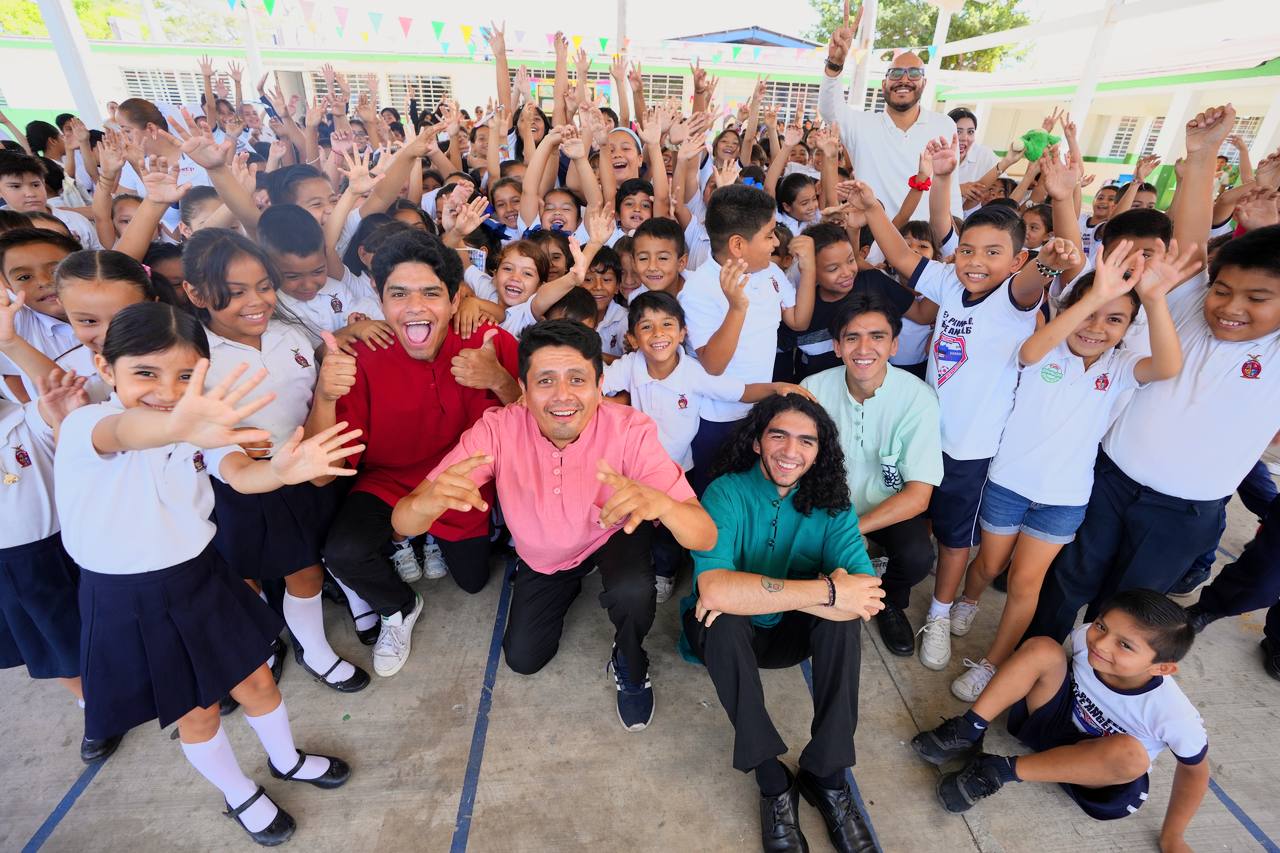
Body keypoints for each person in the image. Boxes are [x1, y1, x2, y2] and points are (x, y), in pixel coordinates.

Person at [54, 302, 360, 845]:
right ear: (106, 369)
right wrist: (181, 423)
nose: (166, 389)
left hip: (203, 576)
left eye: (185, 376)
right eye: (145, 373)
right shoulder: (87, 426)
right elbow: (126, 430)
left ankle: (285, 760)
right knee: (198, 712)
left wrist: (282, 470)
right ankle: (240, 793)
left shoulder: (198, 431)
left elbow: (239, 475)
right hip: (132, 600)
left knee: (258, 679)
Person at [392, 320, 716, 731]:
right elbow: (401, 519)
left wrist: (664, 505)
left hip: (611, 532)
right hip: (546, 556)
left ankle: (630, 657)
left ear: (600, 387)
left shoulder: (629, 430)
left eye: (577, 379)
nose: (563, 395)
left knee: (633, 590)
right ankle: (568, 582)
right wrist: (430, 503)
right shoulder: (498, 428)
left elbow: (704, 534)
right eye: (545, 380)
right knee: (524, 660)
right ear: (523, 392)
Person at [1031, 109, 1280, 643]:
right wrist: (1198, 157)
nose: (1231, 308)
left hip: (1185, 512)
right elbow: (1190, 245)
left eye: (1257, 299)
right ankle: (1038, 662)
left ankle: (1086, 679)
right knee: (1066, 582)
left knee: (1125, 611)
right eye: (1223, 290)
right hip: (1111, 479)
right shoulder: (1187, 302)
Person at [848, 140, 1076, 671]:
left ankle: (942, 614)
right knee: (907, 520)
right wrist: (878, 207)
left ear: (1017, 259)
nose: (976, 262)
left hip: (968, 452)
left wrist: (1049, 261)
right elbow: (906, 256)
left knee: (955, 541)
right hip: (919, 435)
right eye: (968, 250)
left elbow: (1036, 275)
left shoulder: (1018, 297)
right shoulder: (951, 280)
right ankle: (892, 572)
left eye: (993, 253)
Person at [945, 240, 1195, 702]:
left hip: (1063, 500)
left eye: (1114, 320)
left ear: (1127, 330)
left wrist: (1156, 300)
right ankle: (968, 599)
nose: (1097, 327)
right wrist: (1096, 295)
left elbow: (1169, 365)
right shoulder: (1046, 350)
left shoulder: (1121, 368)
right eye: (1090, 312)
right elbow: (1030, 351)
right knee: (989, 565)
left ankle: (991, 664)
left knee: (1025, 584)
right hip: (1007, 486)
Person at [680, 394, 885, 853]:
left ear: (819, 451)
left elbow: (865, 598)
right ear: (757, 442)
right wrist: (827, 590)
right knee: (721, 619)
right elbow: (714, 591)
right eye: (779, 435)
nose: (791, 451)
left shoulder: (832, 504)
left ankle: (827, 775)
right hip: (728, 639)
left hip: (790, 636)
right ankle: (773, 781)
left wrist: (750, 591)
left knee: (844, 624)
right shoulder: (725, 492)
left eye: (806, 441)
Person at [316, 230, 521, 678]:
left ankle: (427, 538)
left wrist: (500, 378)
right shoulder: (364, 354)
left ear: (454, 298)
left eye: (431, 293)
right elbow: (330, 467)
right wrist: (324, 392)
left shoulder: (487, 341)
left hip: (461, 485)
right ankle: (400, 605)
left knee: (472, 583)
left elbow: (539, 423)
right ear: (378, 295)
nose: (415, 307)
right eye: (399, 293)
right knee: (344, 551)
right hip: (388, 480)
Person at [181, 228, 371, 695]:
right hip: (250, 485)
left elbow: (313, 400)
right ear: (195, 293)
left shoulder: (291, 334)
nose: (257, 301)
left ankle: (323, 631)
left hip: (311, 469)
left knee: (314, 560)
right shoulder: (194, 358)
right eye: (236, 291)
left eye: (264, 286)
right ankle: (289, 647)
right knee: (273, 572)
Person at [911, 590, 1209, 853]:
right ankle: (969, 729)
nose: (1102, 644)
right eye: (1102, 626)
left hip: (1095, 772)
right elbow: (1049, 666)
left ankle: (998, 770)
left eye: (1125, 645)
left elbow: (1194, 774)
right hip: (1053, 726)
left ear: (1163, 668)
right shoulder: (1086, 638)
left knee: (1132, 757)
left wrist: (1173, 837)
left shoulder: (1175, 715)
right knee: (1043, 648)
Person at [602, 290, 813, 602]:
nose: (658, 334)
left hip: (677, 470)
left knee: (670, 527)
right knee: (636, 519)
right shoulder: (630, 365)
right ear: (632, 338)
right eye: (646, 327)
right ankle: (633, 564)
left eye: (667, 325)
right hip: (636, 465)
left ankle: (665, 571)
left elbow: (737, 391)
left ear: (682, 333)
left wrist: (776, 387)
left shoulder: (693, 371)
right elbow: (596, 388)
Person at [801, 292, 943, 656]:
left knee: (916, 556)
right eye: (852, 337)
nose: (864, 348)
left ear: (894, 345)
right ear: (836, 346)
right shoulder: (812, 391)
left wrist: (854, 529)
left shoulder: (918, 399)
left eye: (877, 336)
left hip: (886, 508)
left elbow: (918, 495)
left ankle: (890, 600)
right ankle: (814, 601)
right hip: (825, 506)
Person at [678, 184, 815, 493]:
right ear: (738, 245)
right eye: (768, 235)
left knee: (753, 496)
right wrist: (737, 308)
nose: (776, 242)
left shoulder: (769, 273)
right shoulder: (699, 289)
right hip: (717, 420)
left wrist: (808, 271)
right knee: (716, 498)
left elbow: (798, 320)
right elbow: (713, 365)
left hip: (760, 411)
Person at [820, 13, 963, 218]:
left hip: (926, 244)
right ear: (884, 84)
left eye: (914, 73)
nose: (904, 79)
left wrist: (954, 236)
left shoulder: (944, 125)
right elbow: (829, 110)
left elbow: (951, 187)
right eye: (895, 73)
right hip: (871, 243)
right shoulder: (862, 124)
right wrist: (835, 62)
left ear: (924, 83)